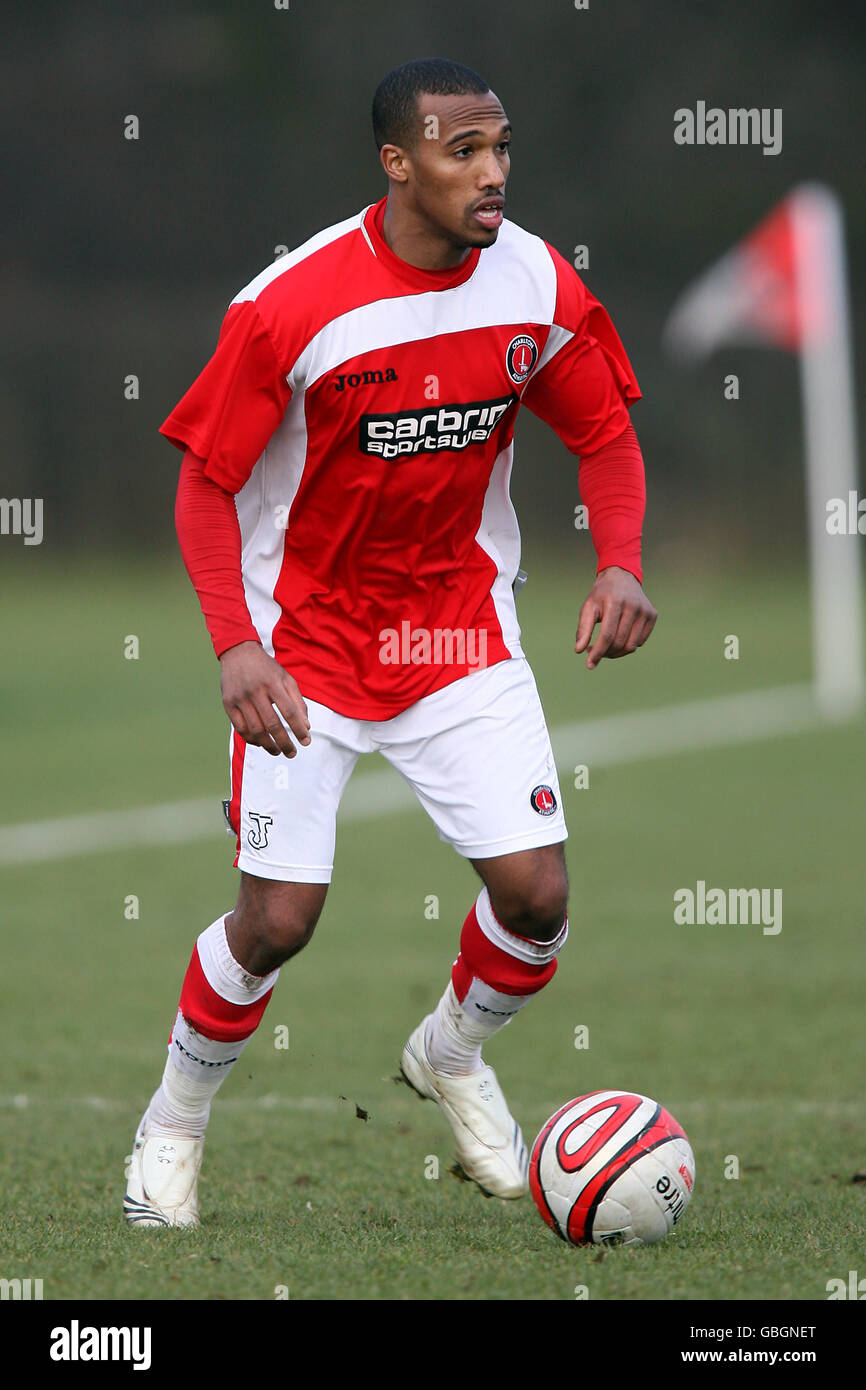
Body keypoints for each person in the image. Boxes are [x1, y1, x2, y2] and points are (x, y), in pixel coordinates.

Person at [123, 56, 656, 1227]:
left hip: (457, 633)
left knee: (535, 898)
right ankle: (170, 1128)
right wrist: (233, 646)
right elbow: (203, 488)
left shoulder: (532, 281)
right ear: (396, 162)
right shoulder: (293, 302)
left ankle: (452, 1052)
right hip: (302, 646)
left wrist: (616, 557)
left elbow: (603, 431)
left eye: (501, 145)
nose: (492, 172)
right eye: (461, 149)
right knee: (276, 922)